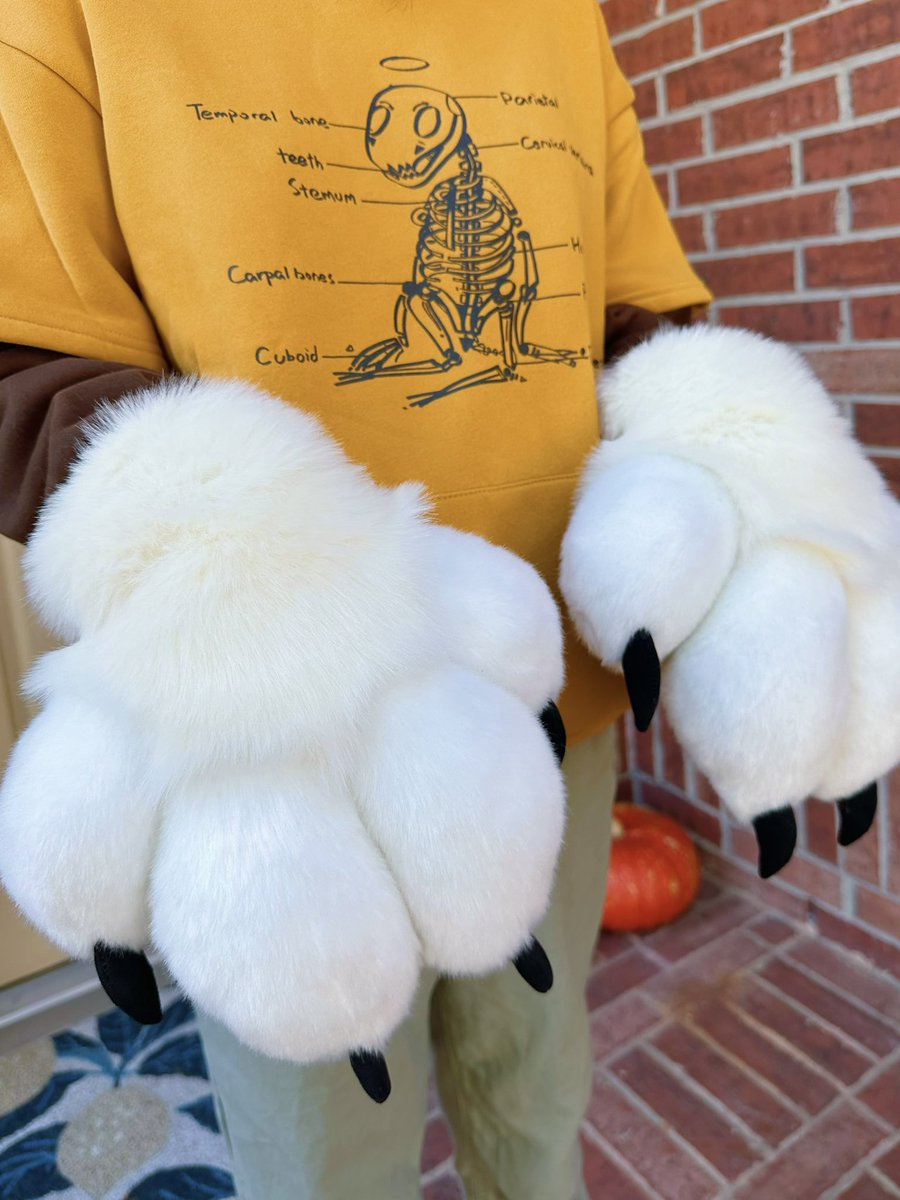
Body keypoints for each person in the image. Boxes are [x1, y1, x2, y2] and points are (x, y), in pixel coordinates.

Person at [0, 3, 712, 1197]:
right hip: (283, 748)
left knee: (536, 1097)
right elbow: (29, 353)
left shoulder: (564, 23)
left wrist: (726, 498)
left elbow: (637, 317)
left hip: (554, 701)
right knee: (324, 1159)